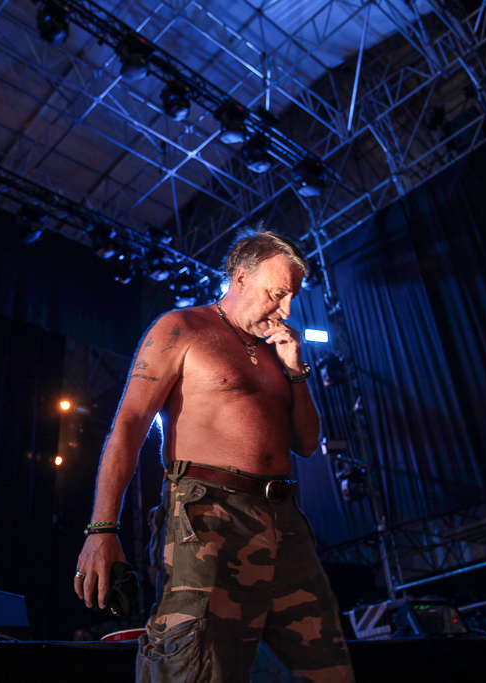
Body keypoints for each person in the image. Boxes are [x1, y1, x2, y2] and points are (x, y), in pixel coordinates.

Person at [74, 228, 355, 683]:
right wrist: (102, 528)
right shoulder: (181, 328)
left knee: (328, 666)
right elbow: (128, 424)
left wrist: (295, 369)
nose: (286, 310)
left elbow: (306, 443)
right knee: (196, 668)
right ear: (240, 277)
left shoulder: (277, 350)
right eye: (277, 294)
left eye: (291, 297)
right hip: (207, 514)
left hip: (284, 519)